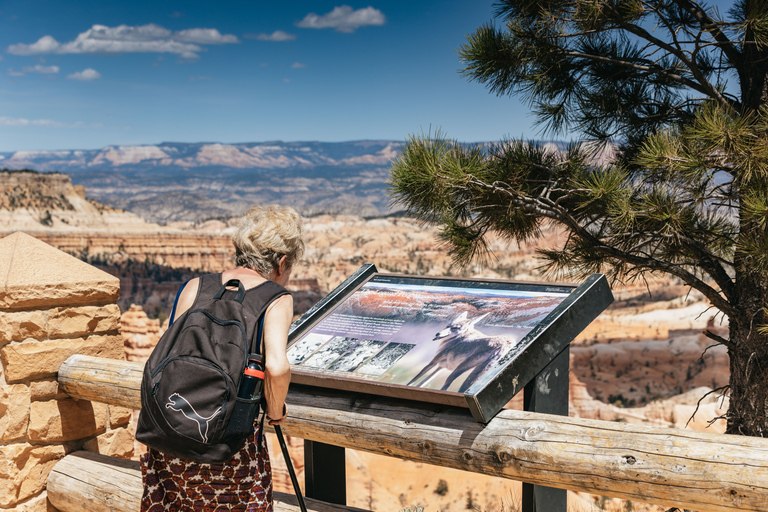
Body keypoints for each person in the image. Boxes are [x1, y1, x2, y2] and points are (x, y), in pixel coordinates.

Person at [140, 204, 305, 512]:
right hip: (226, 448)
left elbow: (170, 353)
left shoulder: (196, 286)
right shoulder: (276, 298)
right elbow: (277, 367)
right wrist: (277, 409)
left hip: (168, 438)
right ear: (281, 262)